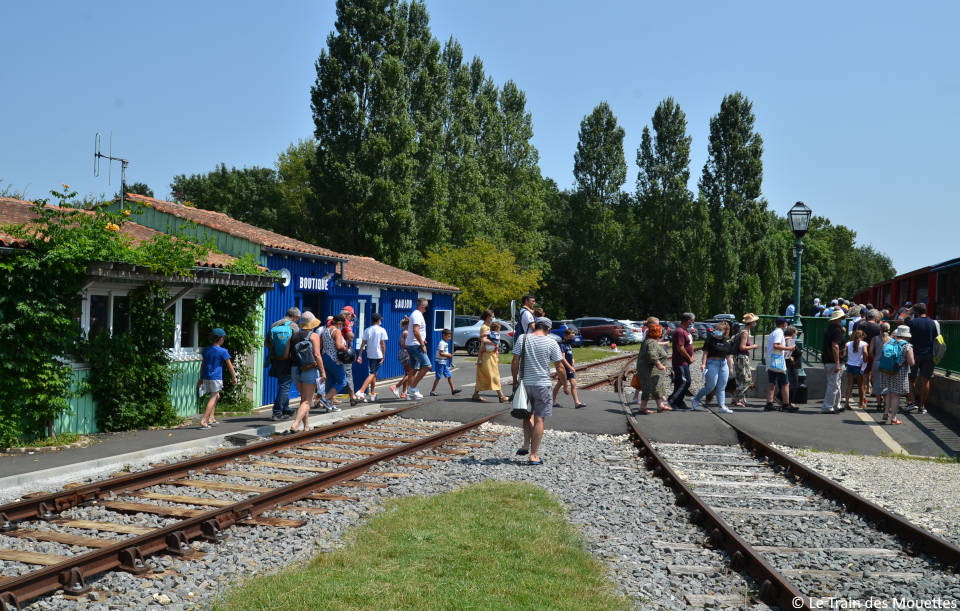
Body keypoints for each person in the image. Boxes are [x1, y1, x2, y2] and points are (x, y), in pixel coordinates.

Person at [511, 317, 566, 465]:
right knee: (539, 419)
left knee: (526, 414)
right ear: (548, 329)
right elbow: (560, 367)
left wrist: (515, 381)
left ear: (535, 326)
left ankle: (525, 445)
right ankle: (534, 455)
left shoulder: (522, 338)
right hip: (542, 385)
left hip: (524, 384)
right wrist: (565, 384)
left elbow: (515, 361)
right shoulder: (551, 342)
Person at [286, 312, 325, 433]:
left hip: (295, 369)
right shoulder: (314, 336)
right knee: (307, 401)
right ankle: (295, 424)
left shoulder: (293, 336)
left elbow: (287, 354)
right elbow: (317, 355)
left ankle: (306, 426)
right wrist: (323, 372)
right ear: (312, 324)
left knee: (304, 399)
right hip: (309, 369)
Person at [196, 328, 236, 429]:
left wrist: (201, 378)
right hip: (216, 377)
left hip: (206, 377)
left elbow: (203, 365)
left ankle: (211, 418)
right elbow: (230, 366)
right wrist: (234, 377)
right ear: (221, 339)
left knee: (216, 396)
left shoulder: (207, 350)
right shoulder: (223, 351)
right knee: (213, 397)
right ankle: (204, 420)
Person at [265, 306, 300, 421]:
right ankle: (277, 411)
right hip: (288, 360)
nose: (298, 320)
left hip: (276, 359)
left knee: (283, 384)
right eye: (298, 318)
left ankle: (286, 408)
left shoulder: (274, 325)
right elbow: (297, 345)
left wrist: (276, 350)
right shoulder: (293, 326)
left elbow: (267, 343)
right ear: (294, 317)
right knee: (285, 386)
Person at [693, 321, 734, 414]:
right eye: (717, 329)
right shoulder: (710, 340)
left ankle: (722, 406)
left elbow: (729, 357)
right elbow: (705, 353)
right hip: (712, 363)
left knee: (722, 386)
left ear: (725, 331)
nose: (717, 331)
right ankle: (696, 399)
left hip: (723, 365)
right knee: (711, 386)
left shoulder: (727, 343)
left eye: (720, 329)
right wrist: (703, 364)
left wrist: (731, 368)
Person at [906, 302, 937, 415]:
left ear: (916, 312)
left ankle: (912, 401)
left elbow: (908, 337)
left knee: (911, 379)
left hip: (914, 353)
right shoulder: (933, 323)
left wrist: (909, 313)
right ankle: (922, 406)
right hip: (929, 354)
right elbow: (935, 338)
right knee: (926, 380)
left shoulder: (912, 323)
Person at [880, 326, 915, 425]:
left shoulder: (889, 342)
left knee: (889, 392)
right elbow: (911, 362)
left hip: (887, 371)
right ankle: (894, 418)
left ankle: (886, 413)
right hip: (899, 372)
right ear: (906, 336)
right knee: (896, 395)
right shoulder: (907, 346)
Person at [473, 310, 508, 403]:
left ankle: (475, 394)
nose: (493, 318)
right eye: (492, 316)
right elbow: (483, 339)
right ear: (488, 317)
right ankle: (501, 396)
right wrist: (494, 342)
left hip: (490, 354)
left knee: (485, 375)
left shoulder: (488, 327)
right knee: (493, 375)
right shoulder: (485, 327)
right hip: (486, 355)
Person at [636, 323, 671, 414]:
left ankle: (660, 406)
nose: (661, 333)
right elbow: (652, 354)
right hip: (650, 370)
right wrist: (659, 364)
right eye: (660, 331)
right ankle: (643, 408)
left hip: (651, 370)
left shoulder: (649, 341)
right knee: (649, 388)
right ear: (656, 332)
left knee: (657, 387)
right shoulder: (651, 342)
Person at [355, 312, 388, 403]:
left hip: (370, 354)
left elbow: (363, 343)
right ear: (378, 320)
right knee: (373, 373)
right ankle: (361, 391)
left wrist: (360, 355)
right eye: (380, 319)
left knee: (374, 374)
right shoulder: (382, 330)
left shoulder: (367, 330)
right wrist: (383, 356)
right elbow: (383, 344)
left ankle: (372, 394)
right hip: (378, 354)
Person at [319, 314, 350, 410]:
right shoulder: (336, 331)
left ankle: (330, 405)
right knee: (342, 381)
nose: (343, 326)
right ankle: (325, 399)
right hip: (334, 359)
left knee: (331, 382)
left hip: (325, 358)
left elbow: (321, 345)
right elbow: (338, 346)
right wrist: (346, 349)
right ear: (339, 322)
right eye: (343, 324)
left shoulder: (325, 330)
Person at [666, 313, 695, 410]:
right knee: (685, 382)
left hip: (685, 362)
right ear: (687, 320)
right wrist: (689, 357)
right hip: (680, 361)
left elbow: (689, 345)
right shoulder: (679, 331)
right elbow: (680, 348)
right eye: (692, 320)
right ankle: (672, 400)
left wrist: (692, 356)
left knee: (680, 382)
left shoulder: (686, 331)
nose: (693, 322)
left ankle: (679, 402)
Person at [404, 298, 431, 400]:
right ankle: (412, 388)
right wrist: (422, 344)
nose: (427, 309)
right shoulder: (417, 315)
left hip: (413, 344)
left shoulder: (417, 314)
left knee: (414, 369)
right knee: (427, 365)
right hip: (415, 345)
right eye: (427, 307)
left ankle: (411, 392)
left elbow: (416, 331)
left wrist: (423, 340)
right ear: (422, 306)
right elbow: (416, 331)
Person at [821, 309, 847, 414]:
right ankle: (828, 406)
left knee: (836, 383)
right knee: (834, 384)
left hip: (828, 360)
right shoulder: (837, 331)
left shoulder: (830, 329)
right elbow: (835, 346)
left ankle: (836, 404)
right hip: (834, 361)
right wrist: (837, 363)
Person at [552, 328, 585, 409]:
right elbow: (562, 358)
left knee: (573, 383)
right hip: (565, 368)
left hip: (570, 367)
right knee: (559, 384)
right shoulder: (562, 345)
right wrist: (570, 367)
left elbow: (570, 355)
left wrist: (573, 360)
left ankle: (577, 403)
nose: (572, 339)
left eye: (572, 337)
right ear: (565, 336)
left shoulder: (569, 345)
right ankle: (552, 401)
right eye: (570, 337)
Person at [733, 313, 760, 407]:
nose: (756, 323)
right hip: (742, 357)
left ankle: (740, 399)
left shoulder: (742, 330)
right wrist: (753, 346)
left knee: (740, 379)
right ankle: (737, 397)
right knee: (747, 380)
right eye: (754, 321)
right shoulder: (745, 332)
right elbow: (742, 347)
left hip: (737, 357)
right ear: (751, 323)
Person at [430, 329, 461, 396]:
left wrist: (447, 354)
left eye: (450, 336)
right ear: (444, 335)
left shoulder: (445, 343)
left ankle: (453, 390)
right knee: (438, 377)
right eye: (448, 336)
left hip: (444, 362)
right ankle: (432, 391)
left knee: (449, 375)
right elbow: (441, 353)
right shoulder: (442, 343)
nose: (449, 338)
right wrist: (448, 355)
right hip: (440, 362)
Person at [844, 329, 869, 409]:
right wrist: (865, 360)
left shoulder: (848, 343)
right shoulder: (864, 344)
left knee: (849, 385)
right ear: (862, 336)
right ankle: (861, 403)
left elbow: (844, 353)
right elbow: (865, 352)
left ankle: (846, 403)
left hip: (850, 365)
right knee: (860, 385)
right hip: (858, 366)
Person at [871, 321, 892, 411]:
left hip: (876, 362)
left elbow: (870, 351)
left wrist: (874, 358)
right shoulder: (892, 340)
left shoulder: (875, 338)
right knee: (887, 385)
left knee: (877, 384)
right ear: (889, 330)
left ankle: (879, 404)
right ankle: (886, 405)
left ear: (880, 329)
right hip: (887, 364)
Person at [390, 317, 412, 399]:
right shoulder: (407, 333)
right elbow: (407, 344)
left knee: (407, 373)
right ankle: (396, 386)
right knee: (410, 373)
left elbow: (400, 343)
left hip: (402, 352)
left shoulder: (402, 332)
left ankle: (403, 392)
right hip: (407, 353)